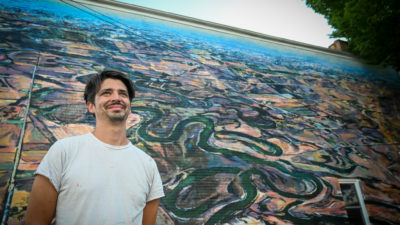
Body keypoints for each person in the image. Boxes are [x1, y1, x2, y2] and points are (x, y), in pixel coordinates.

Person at [26, 70, 164, 225]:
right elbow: (35, 221)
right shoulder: (63, 151)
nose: (116, 98)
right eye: (107, 93)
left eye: (123, 94)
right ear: (90, 106)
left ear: (129, 107)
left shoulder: (148, 165)